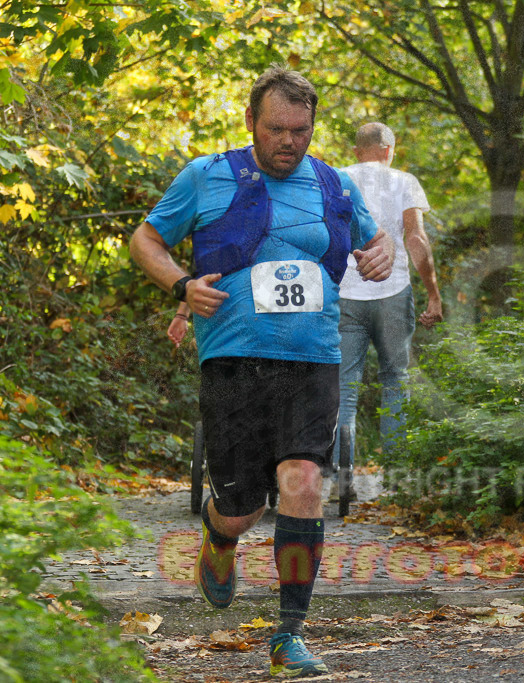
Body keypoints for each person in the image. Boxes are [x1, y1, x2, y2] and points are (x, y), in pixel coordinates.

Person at [129, 66, 395, 679]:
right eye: (276, 129)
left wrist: (381, 251)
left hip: (313, 359)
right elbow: (146, 240)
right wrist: (179, 285)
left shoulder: (333, 185)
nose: (289, 142)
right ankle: (220, 538)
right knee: (242, 507)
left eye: (300, 130)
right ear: (252, 122)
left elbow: (374, 242)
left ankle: (289, 633)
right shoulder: (206, 175)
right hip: (233, 360)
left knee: (304, 482)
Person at [333, 122, 441, 484]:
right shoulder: (404, 181)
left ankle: (342, 473)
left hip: (345, 293)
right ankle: (397, 478)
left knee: (344, 384)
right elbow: (416, 239)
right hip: (393, 292)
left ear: (356, 151)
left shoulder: (336, 178)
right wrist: (433, 294)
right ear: (389, 150)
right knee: (396, 379)